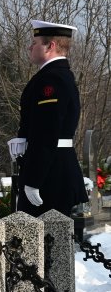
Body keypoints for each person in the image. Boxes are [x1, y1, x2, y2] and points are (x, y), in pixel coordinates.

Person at [14, 20, 86, 217]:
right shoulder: (57, 75)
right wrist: (23, 139)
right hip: (53, 169)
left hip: (51, 175)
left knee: (42, 243)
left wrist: (33, 179)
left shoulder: (51, 79)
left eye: (35, 42)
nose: (30, 46)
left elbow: (47, 132)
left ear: (50, 46)